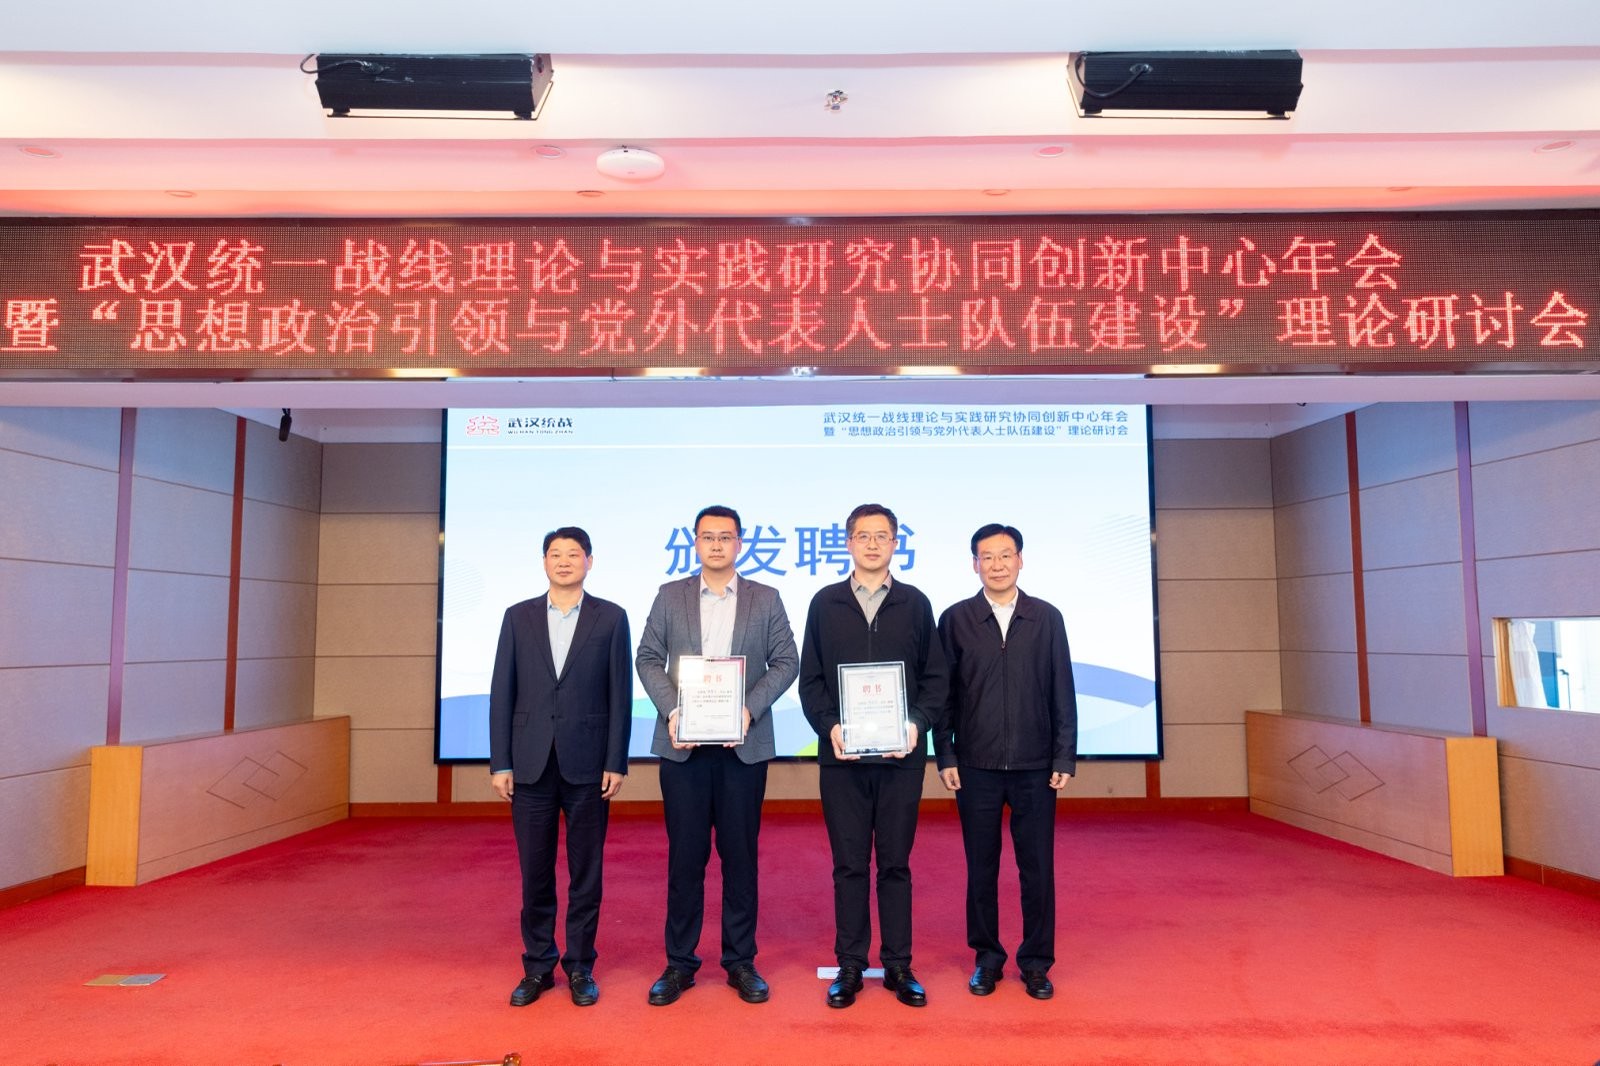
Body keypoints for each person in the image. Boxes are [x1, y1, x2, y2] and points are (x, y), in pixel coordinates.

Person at [635, 505, 800, 1007]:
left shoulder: (765, 598)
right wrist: (673, 711)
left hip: (742, 749)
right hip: (683, 748)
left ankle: (740, 961)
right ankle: (679, 964)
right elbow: (647, 657)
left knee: (740, 857)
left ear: (740, 543)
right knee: (685, 858)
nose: (716, 545)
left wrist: (748, 709)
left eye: (725, 537)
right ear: (695, 542)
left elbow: (787, 660)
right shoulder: (670, 596)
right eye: (707, 537)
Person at [798, 502, 949, 1008]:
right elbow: (811, 680)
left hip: (901, 758)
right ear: (848, 543)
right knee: (848, 865)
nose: (872, 544)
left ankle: (899, 965)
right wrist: (830, 726)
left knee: (896, 864)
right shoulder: (825, 603)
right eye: (863, 535)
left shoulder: (915, 603)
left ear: (895, 543)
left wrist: (916, 723)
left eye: (881, 536)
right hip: (841, 759)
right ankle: (850, 965)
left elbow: (935, 679)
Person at [488, 526, 633, 1008]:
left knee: (586, 872)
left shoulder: (611, 617)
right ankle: (537, 966)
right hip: (529, 764)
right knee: (535, 872)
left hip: (589, 764)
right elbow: (502, 692)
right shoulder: (518, 616)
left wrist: (616, 761)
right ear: (544, 561)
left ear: (590, 561)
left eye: (574, 553)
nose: (565, 561)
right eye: (556, 553)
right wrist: (501, 761)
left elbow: (619, 695)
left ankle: (580, 967)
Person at [936, 522, 1076, 1002]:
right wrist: (945, 752)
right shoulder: (956, 619)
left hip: (1036, 766)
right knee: (981, 867)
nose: (997, 565)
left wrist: (1063, 755)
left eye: (1005, 555)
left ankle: (1036, 963)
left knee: (1037, 868)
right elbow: (944, 695)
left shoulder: (1046, 617)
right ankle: (987, 958)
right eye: (987, 557)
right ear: (974, 564)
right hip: (974, 765)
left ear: (1020, 560)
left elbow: (1062, 689)